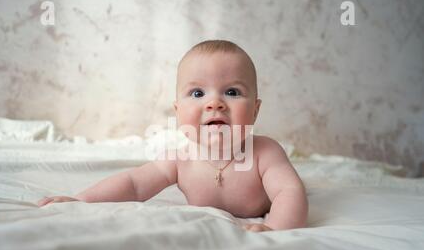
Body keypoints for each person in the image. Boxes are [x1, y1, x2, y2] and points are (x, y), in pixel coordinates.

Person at [38, 40, 308, 232]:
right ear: (178, 112)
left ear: (255, 111)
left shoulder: (265, 153)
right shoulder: (180, 159)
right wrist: (81, 201)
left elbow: (289, 191)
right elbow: (133, 183)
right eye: (198, 93)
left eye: (233, 92)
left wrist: (275, 228)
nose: (214, 103)